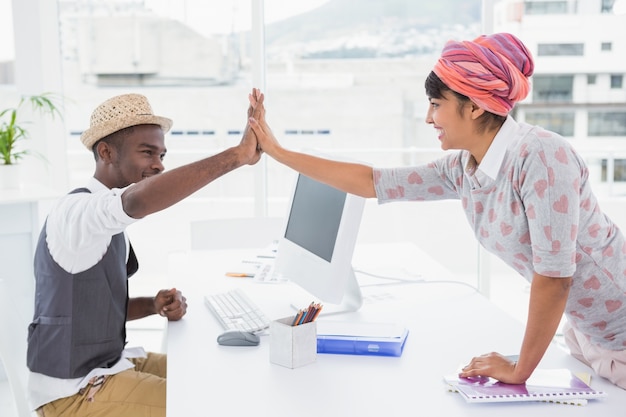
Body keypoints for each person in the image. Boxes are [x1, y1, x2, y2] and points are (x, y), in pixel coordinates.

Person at [247, 32, 626, 390]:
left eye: (436, 104)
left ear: (475, 106)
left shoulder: (542, 157)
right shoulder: (463, 168)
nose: (429, 119)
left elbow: (554, 278)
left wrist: (519, 369)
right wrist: (276, 152)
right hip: (591, 336)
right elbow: (371, 182)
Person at [27, 92, 262, 417]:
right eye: (147, 152)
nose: (159, 165)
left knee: (212, 375)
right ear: (106, 152)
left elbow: (95, 310)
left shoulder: (100, 219)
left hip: (108, 365)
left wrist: (152, 305)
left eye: (162, 154)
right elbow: (137, 202)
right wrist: (237, 156)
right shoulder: (77, 211)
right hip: (74, 393)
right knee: (210, 402)